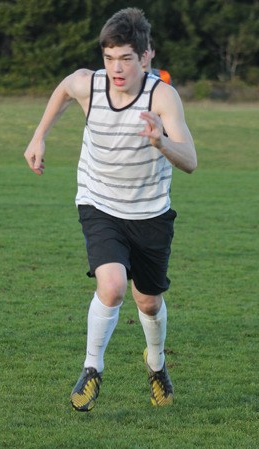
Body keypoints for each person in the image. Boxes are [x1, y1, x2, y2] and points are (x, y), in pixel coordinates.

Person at [24, 7, 197, 410]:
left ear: (146, 56)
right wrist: (39, 137)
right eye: (109, 57)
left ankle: (156, 364)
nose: (116, 68)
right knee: (113, 286)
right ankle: (91, 368)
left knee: (148, 301)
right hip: (99, 202)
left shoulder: (162, 97)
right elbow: (65, 89)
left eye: (125, 58)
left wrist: (160, 142)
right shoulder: (90, 84)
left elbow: (190, 160)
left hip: (151, 213)